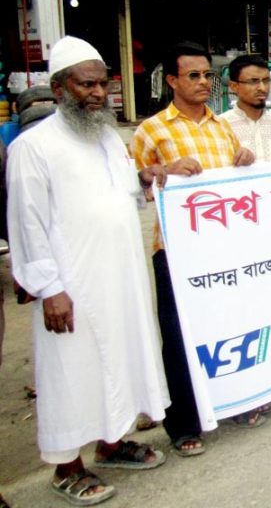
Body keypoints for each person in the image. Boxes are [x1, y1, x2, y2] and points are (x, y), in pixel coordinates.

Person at [7, 35, 170, 506]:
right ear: (59, 88)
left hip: (119, 277)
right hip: (70, 284)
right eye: (86, 85)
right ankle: (66, 466)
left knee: (118, 357)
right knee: (71, 371)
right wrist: (48, 288)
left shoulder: (108, 137)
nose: (98, 93)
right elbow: (26, 224)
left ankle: (112, 441)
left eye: (102, 83)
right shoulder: (32, 148)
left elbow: (122, 195)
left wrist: (146, 178)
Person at [131, 41, 257, 454]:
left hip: (222, 247)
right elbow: (132, 188)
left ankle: (231, 400)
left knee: (226, 326)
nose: (204, 83)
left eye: (208, 76)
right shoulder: (151, 130)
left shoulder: (221, 126)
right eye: (194, 76)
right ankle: (183, 425)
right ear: (171, 80)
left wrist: (242, 159)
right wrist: (163, 171)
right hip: (175, 251)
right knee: (179, 336)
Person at [221, 55, 271, 163]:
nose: (262, 88)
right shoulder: (220, 126)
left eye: (266, 81)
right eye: (253, 82)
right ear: (234, 86)